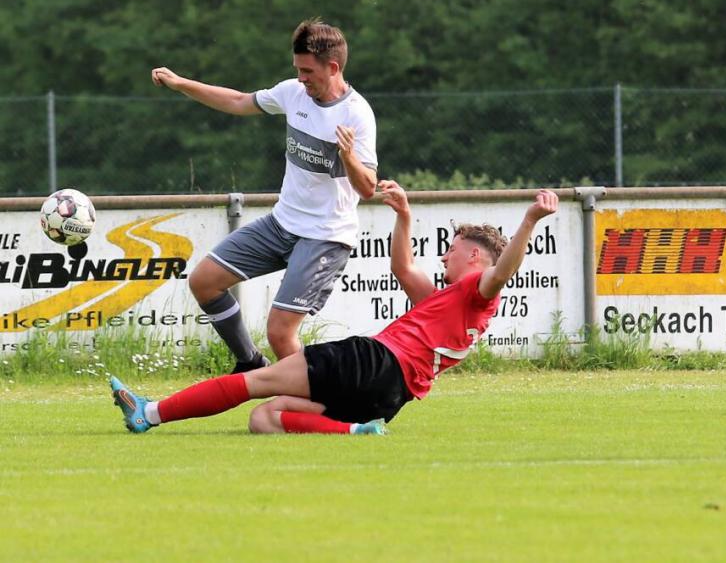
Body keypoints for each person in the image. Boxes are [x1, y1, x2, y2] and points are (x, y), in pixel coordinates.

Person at [110, 182, 559, 435]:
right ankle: (358, 431)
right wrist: (403, 216)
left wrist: (529, 221)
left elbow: (503, 272)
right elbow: (403, 268)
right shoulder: (450, 303)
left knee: (255, 381)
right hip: (387, 398)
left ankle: (148, 414)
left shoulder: (479, 292)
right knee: (264, 420)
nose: (445, 256)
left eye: (453, 250)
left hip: (374, 363)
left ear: (475, 259)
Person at [151, 19, 377, 373]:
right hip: (282, 223)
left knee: (281, 334)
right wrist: (181, 84)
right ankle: (251, 363)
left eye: (307, 71)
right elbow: (239, 101)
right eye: (297, 70)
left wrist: (348, 157)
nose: (301, 78)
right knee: (204, 282)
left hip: (324, 236)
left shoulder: (356, 114)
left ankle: (319, 404)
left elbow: (368, 188)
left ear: (333, 68)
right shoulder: (293, 93)